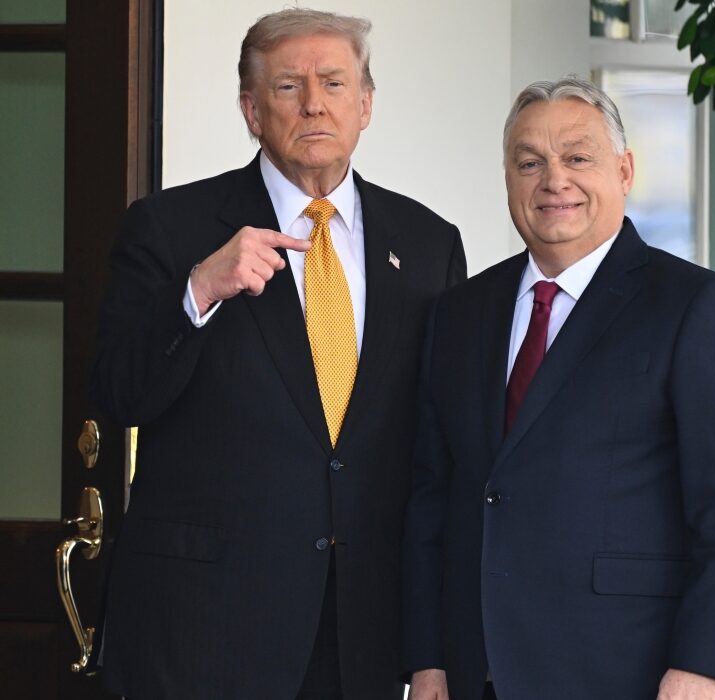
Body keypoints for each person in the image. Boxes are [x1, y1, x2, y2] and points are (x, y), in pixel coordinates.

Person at [92, 9, 466, 699]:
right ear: (251, 110)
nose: (315, 104)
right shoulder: (169, 228)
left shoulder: (428, 243)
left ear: (366, 104)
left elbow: (439, 452)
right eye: (289, 86)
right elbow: (120, 393)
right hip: (204, 632)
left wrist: (432, 649)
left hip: (363, 634)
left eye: (334, 83)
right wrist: (199, 290)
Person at [400, 77, 715, 700]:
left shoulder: (697, 306)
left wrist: (704, 665)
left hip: (640, 676)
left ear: (624, 170)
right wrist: (428, 659)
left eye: (578, 157)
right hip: (480, 675)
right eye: (530, 163)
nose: (554, 180)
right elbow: (431, 501)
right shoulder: (460, 313)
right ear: (508, 179)